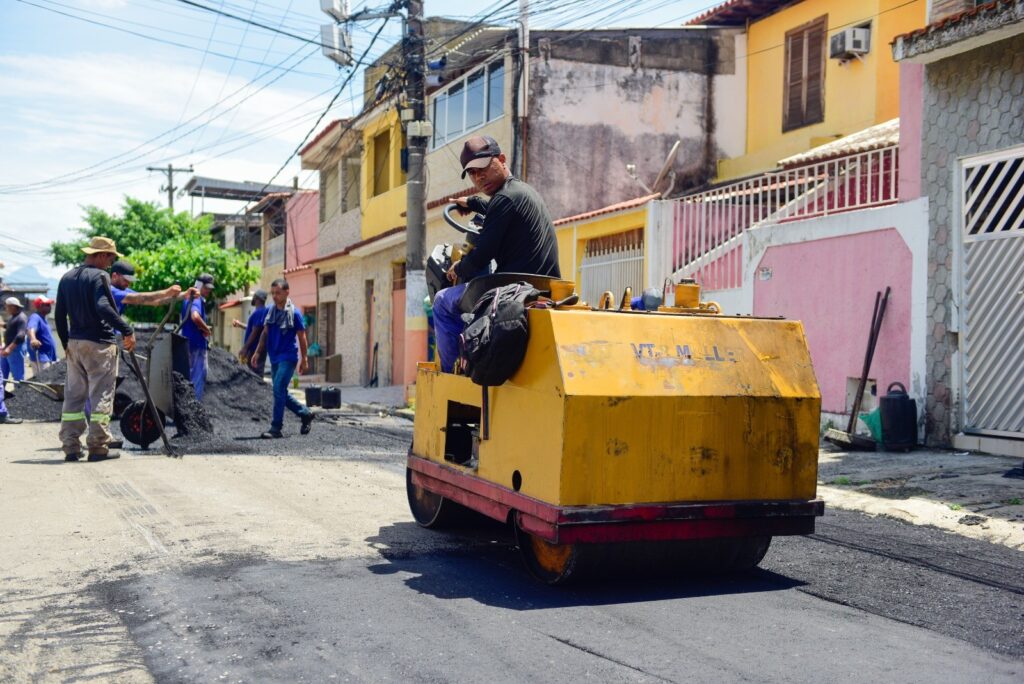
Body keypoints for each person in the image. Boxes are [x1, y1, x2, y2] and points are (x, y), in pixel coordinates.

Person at [433, 135, 561, 372]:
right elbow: (496, 211)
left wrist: (457, 268)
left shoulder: (503, 199)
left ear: (501, 160)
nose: (479, 177)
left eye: (483, 168)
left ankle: (454, 374)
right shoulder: (521, 192)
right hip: (543, 286)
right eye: (472, 173)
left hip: (513, 290)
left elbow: (480, 258)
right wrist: (472, 202)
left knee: (442, 301)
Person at [54, 236, 136, 462]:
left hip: (75, 343)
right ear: (100, 255)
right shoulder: (100, 276)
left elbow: (60, 315)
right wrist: (126, 330)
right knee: (101, 394)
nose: (110, 263)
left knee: (73, 397)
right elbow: (103, 307)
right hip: (99, 344)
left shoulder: (67, 277)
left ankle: (71, 446)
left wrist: (66, 343)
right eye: (110, 257)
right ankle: (99, 447)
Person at [251, 279, 313, 438]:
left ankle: (276, 428)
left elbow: (302, 337)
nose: (274, 296)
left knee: (278, 388)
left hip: (288, 356)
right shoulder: (270, 312)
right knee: (279, 391)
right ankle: (305, 413)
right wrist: (258, 352)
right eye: (273, 293)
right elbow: (264, 333)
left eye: (278, 293)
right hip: (274, 357)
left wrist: (304, 358)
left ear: (287, 292)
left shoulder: (295, 313)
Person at [179, 273, 214, 400]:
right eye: (206, 287)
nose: (208, 291)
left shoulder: (188, 298)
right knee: (198, 377)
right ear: (198, 285)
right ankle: (194, 407)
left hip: (188, 344)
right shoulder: (196, 299)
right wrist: (206, 329)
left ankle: (188, 407)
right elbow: (195, 316)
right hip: (197, 346)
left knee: (190, 377)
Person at [109, 260, 184, 314]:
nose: (128, 283)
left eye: (130, 280)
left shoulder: (124, 291)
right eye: (126, 280)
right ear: (114, 276)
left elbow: (154, 301)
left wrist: (184, 295)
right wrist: (167, 292)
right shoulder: (110, 291)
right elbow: (140, 298)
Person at [233, 289, 269, 375]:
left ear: (257, 298)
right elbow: (254, 329)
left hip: (254, 350)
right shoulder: (263, 311)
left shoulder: (258, 312)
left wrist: (245, 348)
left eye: (254, 297)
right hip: (259, 349)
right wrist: (240, 324)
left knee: (254, 375)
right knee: (254, 373)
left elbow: (255, 332)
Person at [26, 297, 58, 371]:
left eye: (50, 304)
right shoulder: (35, 317)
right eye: (47, 305)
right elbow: (31, 328)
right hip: (41, 357)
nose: (50, 307)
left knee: (49, 381)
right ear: (40, 306)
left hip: (48, 357)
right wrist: (33, 339)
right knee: (44, 381)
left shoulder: (43, 319)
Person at [1, 297, 28, 384]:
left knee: (17, 377)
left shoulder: (21, 318)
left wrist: (9, 349)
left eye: (7, 307)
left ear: (13, 307)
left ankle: (19, 395)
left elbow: (20, 335)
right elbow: (9, 327)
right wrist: (2, 325)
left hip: (15, 349)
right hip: (8, 348)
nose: (6, 308)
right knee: (2, 374)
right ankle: (2, 395)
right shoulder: (14, 317)